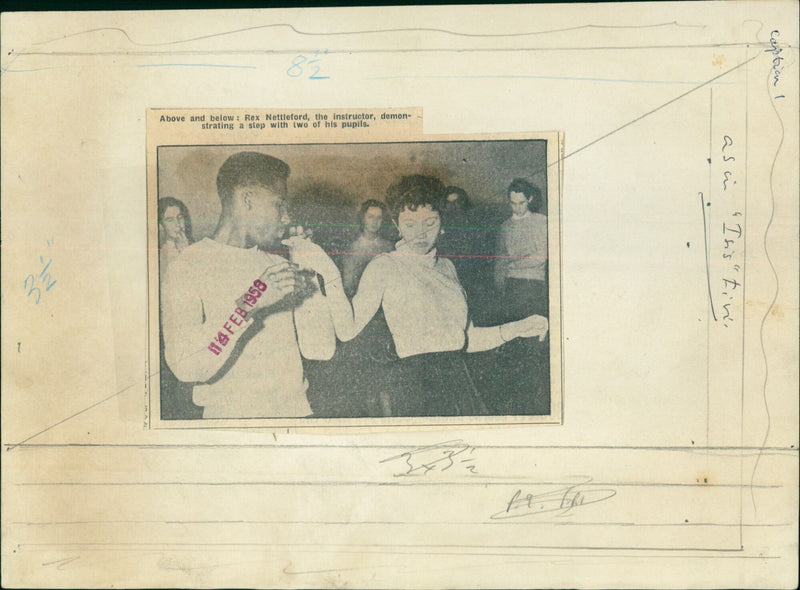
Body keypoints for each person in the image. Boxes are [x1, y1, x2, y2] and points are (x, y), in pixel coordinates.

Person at [284, 175, 548, 417]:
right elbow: (347, 329)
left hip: (460, 384)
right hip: (415, 389)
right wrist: (328, 270)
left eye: (430, 223)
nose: (420, 234)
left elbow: (466, 339)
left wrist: (519, 327)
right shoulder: (385, 265)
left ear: (443, 222)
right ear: (397, 225)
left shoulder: (448, 267)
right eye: (410, 224)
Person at [161, 151, 334, 419]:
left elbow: (320, 350)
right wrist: (248, 303)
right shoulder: (187, 266)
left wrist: (313, 276)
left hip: (297, 416)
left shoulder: (279, 263)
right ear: (247, 199)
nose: (286, 218)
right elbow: (186, 367)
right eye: (279, 204)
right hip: (233, 423)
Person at [494, 178, 548, 320]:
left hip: (533, 285)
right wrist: (500, 284)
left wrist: (513, 264)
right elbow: (501, 258)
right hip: (511, 285)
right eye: (513, 203)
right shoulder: (505, 225)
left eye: (521, 203)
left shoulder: (541, 221)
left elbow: (541, 257)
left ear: (529, 199)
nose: (517, 208)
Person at [342, 199, 393, 296]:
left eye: (379, 218)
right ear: (363, 219)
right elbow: (348, 287)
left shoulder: (388, 247)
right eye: (370, 217)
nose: (375, 221)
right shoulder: (353, 249)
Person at [158, 197, 192, 283]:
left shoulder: (194, 245)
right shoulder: (161, 254)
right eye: (170, 220)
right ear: (161, 225)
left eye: (180, 218)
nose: (177, 224)